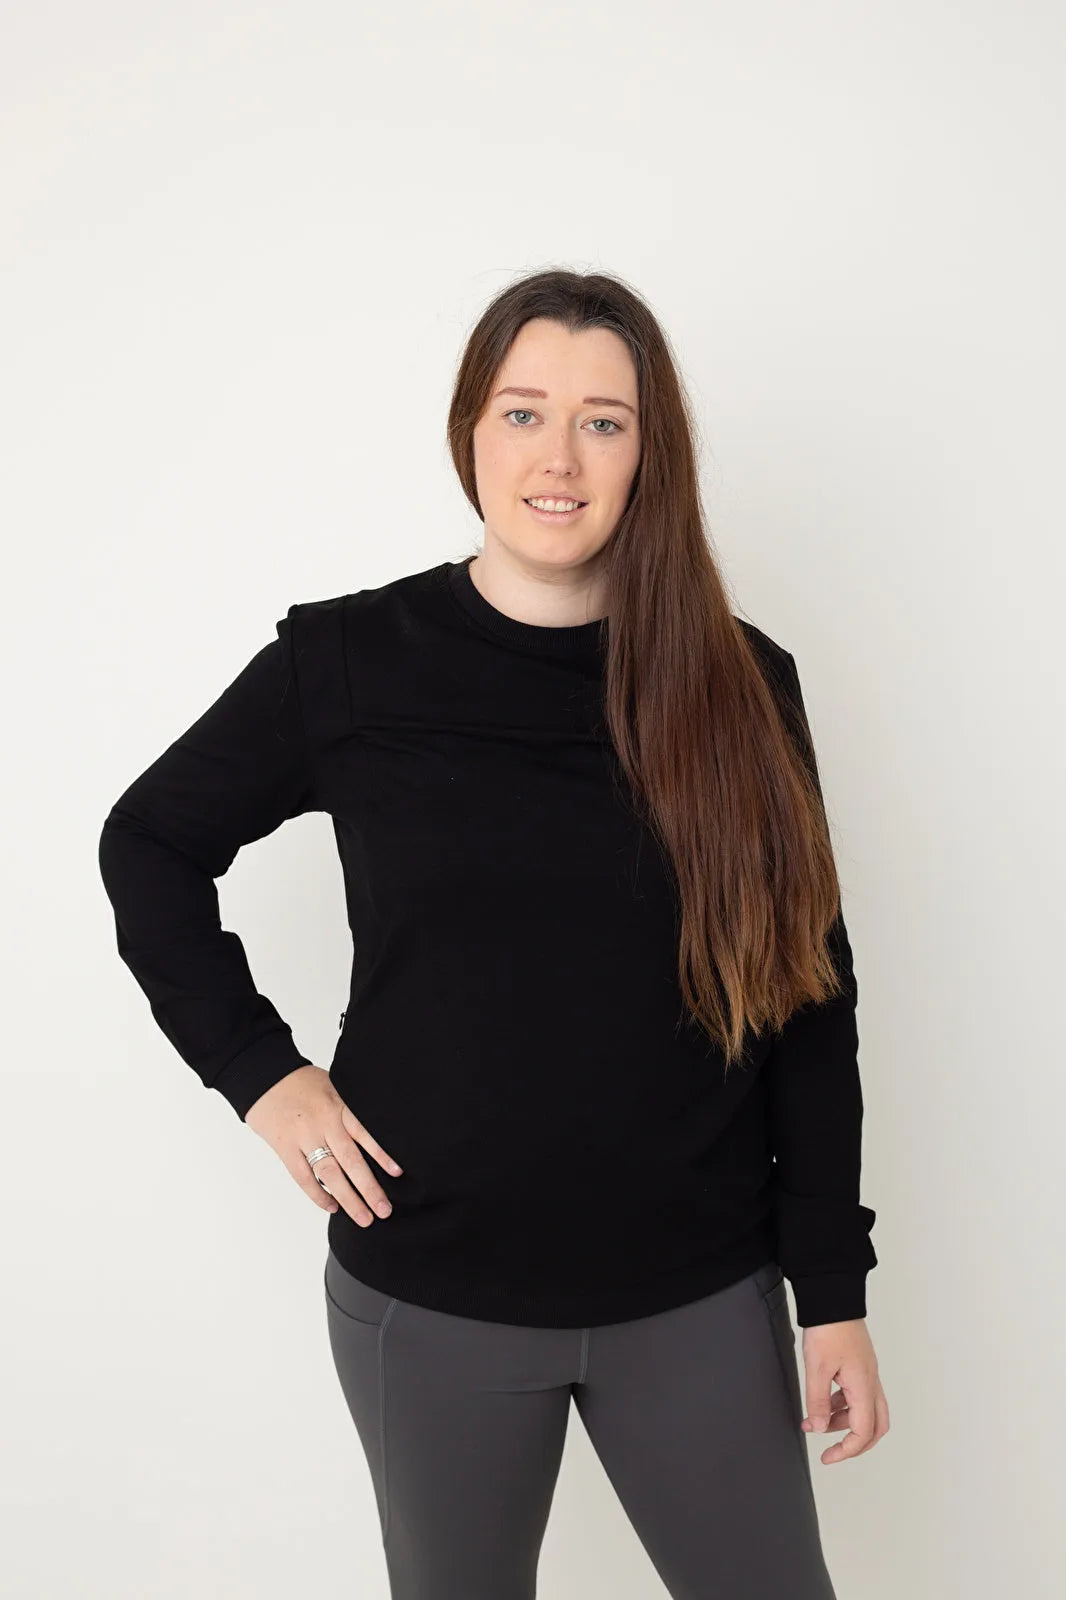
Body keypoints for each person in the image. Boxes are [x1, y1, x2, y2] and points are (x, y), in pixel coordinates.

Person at [98, 267, 889, 1599]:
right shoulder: (351, 663)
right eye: (523, 413)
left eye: (602, 421)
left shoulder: (743, 682)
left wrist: (834, 1295)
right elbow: (149, 843)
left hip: (697, 1294)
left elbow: (809, 1000)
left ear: (649, 452)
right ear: (470, 430)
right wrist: (260, 1073)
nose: (557, 458)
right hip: (431, 1295)